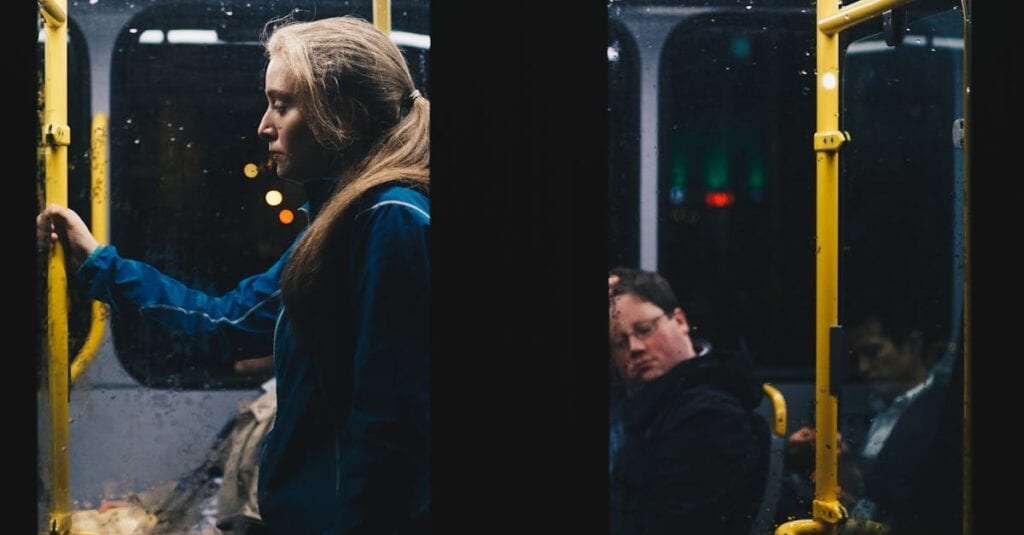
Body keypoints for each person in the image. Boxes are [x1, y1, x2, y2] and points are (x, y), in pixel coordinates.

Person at [38, 15, 430, 534]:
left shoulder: (392, 220)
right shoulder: (339, 224)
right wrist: (96, 261)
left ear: (343, 115)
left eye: (282, 104)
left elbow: (387, 433)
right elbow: (223, 325)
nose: (264, 126)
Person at [608, 268, 769, 535]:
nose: (634, 347)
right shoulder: (652, 404)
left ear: (680, 321)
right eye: (619, 342)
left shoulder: (709, 417)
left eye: (645, 330)